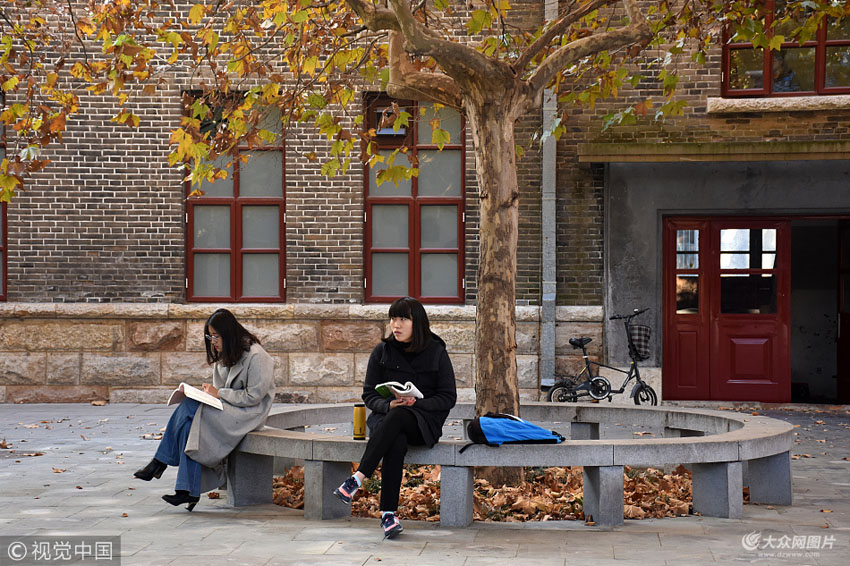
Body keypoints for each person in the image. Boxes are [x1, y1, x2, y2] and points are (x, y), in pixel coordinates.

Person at [332, 297, 457, 538]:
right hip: (386, 418)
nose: (395, 325)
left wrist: (417, 402)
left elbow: (448, 397)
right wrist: (388, 404)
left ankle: (357, 478)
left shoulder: (436, 352)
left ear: (417, 322)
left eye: (402, 319)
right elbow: (369, 394)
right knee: (396, 440)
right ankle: (388, 515)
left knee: (400, 417)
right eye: (393, 319)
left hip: (423, 423)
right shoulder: (382, 351)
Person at [133, 308, 274, 511]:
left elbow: (254, 397)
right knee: (190, 419)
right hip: (230, 409)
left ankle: (161, 463)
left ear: (228, 334)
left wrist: (219, 394)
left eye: (216, 336)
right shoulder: (225, 354)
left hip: (250, 414)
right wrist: (209, 395)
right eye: (210, 336)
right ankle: (185, 490)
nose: (213, 341)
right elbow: (219, 392)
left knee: (190, 409)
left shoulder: (257, 356)